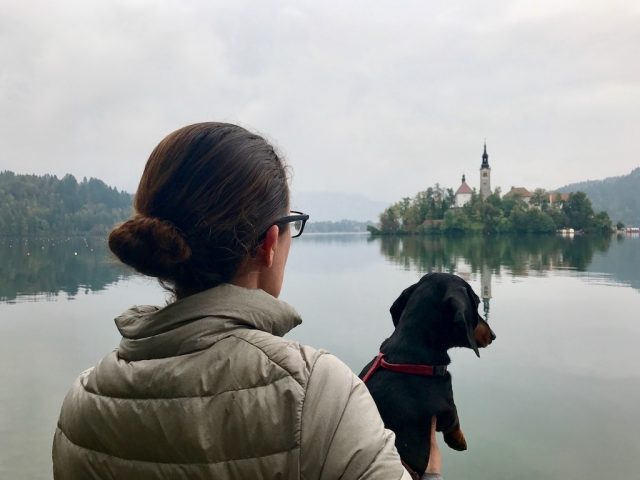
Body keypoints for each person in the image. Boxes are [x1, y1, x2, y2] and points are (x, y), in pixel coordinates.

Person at [52, 122, 443, 479]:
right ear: (270, 244)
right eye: (293, 223)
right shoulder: (317, 392)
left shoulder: (83, 402)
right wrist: (430, 474)